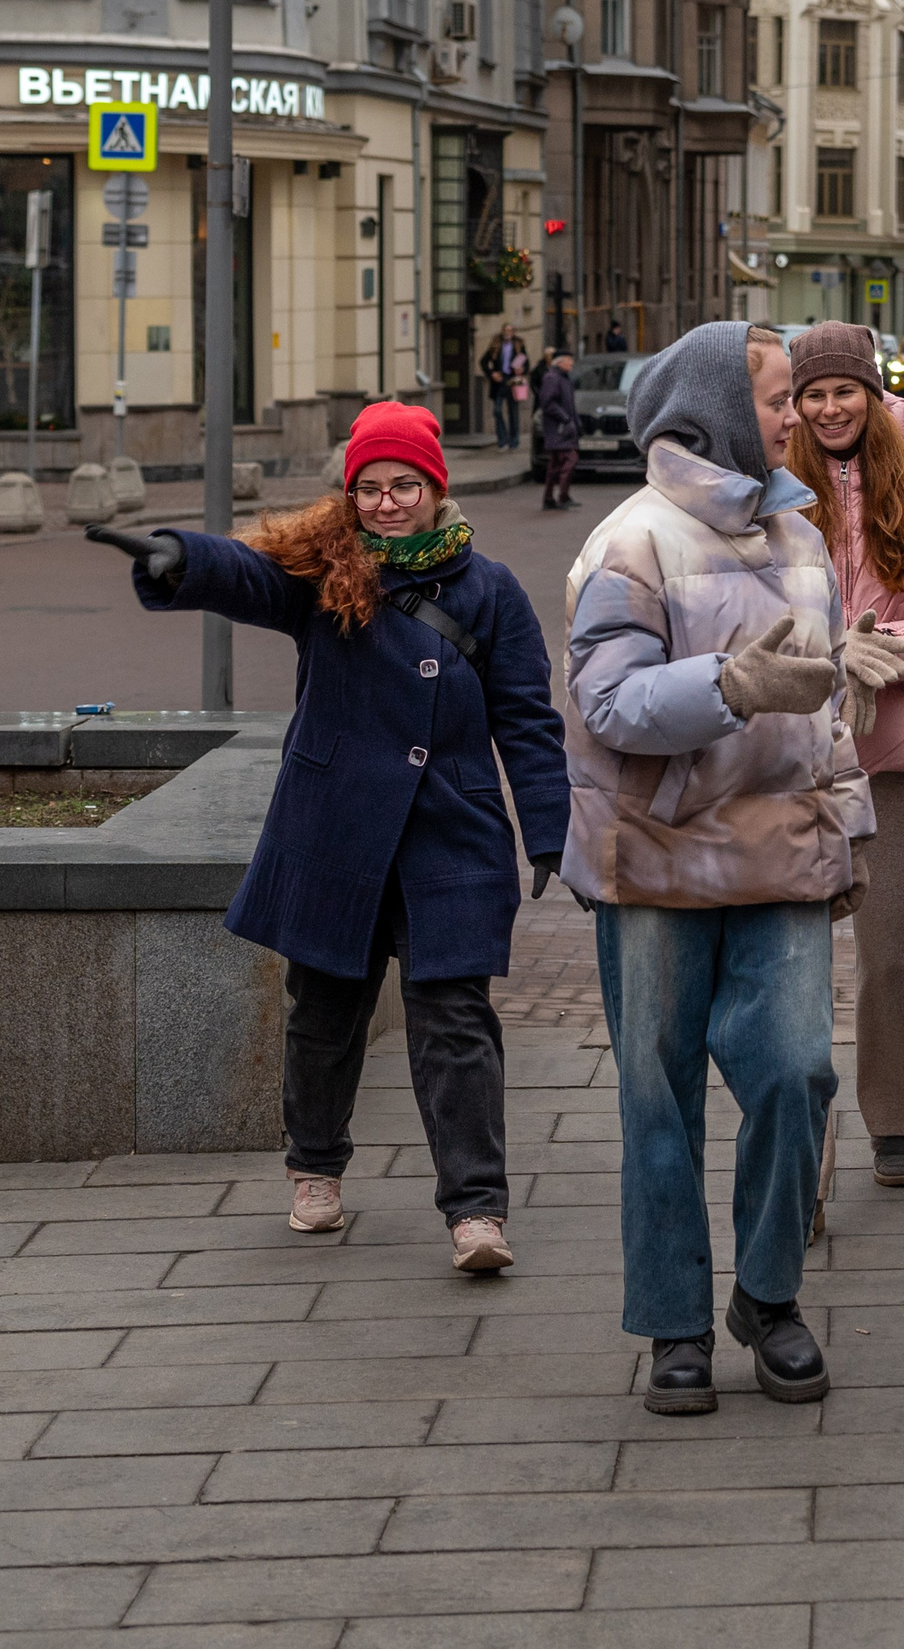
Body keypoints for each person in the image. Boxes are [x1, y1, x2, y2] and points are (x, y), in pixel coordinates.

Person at [88, 402, 570, 1273]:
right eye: (370, 488)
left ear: (435, 489)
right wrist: (181, 558)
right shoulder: (325, 572)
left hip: (448, 836)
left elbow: (528, 719)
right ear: (350, 497)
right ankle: (314, 1166)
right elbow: (247, 576)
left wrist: (547, 828)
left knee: (455, 1023)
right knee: (324, 1013)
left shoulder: (490, 589)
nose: (386, 503)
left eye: (403, 486)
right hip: (337, 830)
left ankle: (476, 1212)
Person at [561, 321, 899, 1417]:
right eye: (773, 398)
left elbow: (829, 717)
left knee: (797, 1074)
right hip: (657, 862)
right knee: (658, 1101)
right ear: (711, 406)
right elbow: (607, 704)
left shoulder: (798, 533)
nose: (795, 414)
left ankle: (767, 1292)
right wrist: (732, 685)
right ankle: (673, 1321)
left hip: (784, 856)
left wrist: (846, 827)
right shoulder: (631, 542)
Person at [787, 322, 904, 1188]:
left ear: (871, 395)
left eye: (844, 391)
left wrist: (878, 645)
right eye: (813, 394)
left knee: (887, 946)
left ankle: (894, 1120)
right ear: (794, 405)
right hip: (791, 751)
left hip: (901, 757)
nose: (830, 407)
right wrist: (822, 657)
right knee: (793, 954)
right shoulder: (770, 490)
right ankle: (799, 1135)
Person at [538, 351, 580, 511]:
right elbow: (548, 403)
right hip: (558, 429)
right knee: (570, 459)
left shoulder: (564, 379)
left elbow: (570, 406)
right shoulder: (553, 378)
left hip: (564, 428)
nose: (572, 364)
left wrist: (576, 423)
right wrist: (566, 419)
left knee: (555, 465)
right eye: (569, 361)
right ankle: (562, 496)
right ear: (560, 362)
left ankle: (549, 499)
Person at [479, 324, 532, 452]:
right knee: (497, 411)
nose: (507, 333)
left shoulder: (518, 345)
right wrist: (492, 373)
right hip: (499, 381)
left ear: (513, 332)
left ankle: (513, 441)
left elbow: (527, 363)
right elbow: (483, 361)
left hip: (512, 380)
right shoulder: (496, 345)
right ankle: (502, 440)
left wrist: (522, 370)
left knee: (513, 412)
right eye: (505, 330)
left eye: (510, 330)